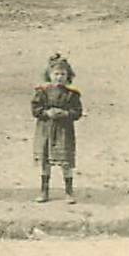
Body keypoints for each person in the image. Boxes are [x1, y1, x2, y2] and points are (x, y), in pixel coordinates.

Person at [31, 53, 84, 204]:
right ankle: (44, 191)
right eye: (56, 74)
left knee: (65, 162)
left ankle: (68, 192)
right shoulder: (42, 91)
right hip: (45, 130)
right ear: (49, 74)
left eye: (63, 74)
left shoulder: (72, 94)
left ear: (68, 75)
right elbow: (35, 109)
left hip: (64, 131)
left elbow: (77, 112)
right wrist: (46, 112)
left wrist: (65, 113)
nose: (59, 77)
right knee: (45, 162)